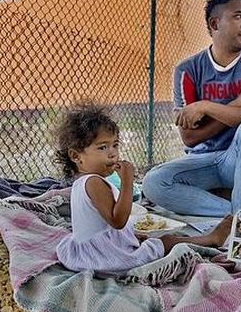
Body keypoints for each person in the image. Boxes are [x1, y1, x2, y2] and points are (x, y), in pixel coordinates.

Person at [142, 0, 241, 217]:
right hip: (202, 161)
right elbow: (190, 137)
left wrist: (205, 107)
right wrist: (239, 103)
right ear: (215, 24)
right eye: (238, 16)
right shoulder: (187, 70)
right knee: (154, 182)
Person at [53, 103, 230, 277]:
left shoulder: (81, 182)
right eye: (102, 147)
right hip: (107, 258)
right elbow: (117, 221)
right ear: (76, 156)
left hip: (91, 252)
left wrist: (130, 236)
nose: (113, 153)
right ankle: (211, 239)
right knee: (165, 242)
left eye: (115, 145)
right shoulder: (94, 183)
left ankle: (206, 238)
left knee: (149, 239)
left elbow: (103, 226)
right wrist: (127, 182)